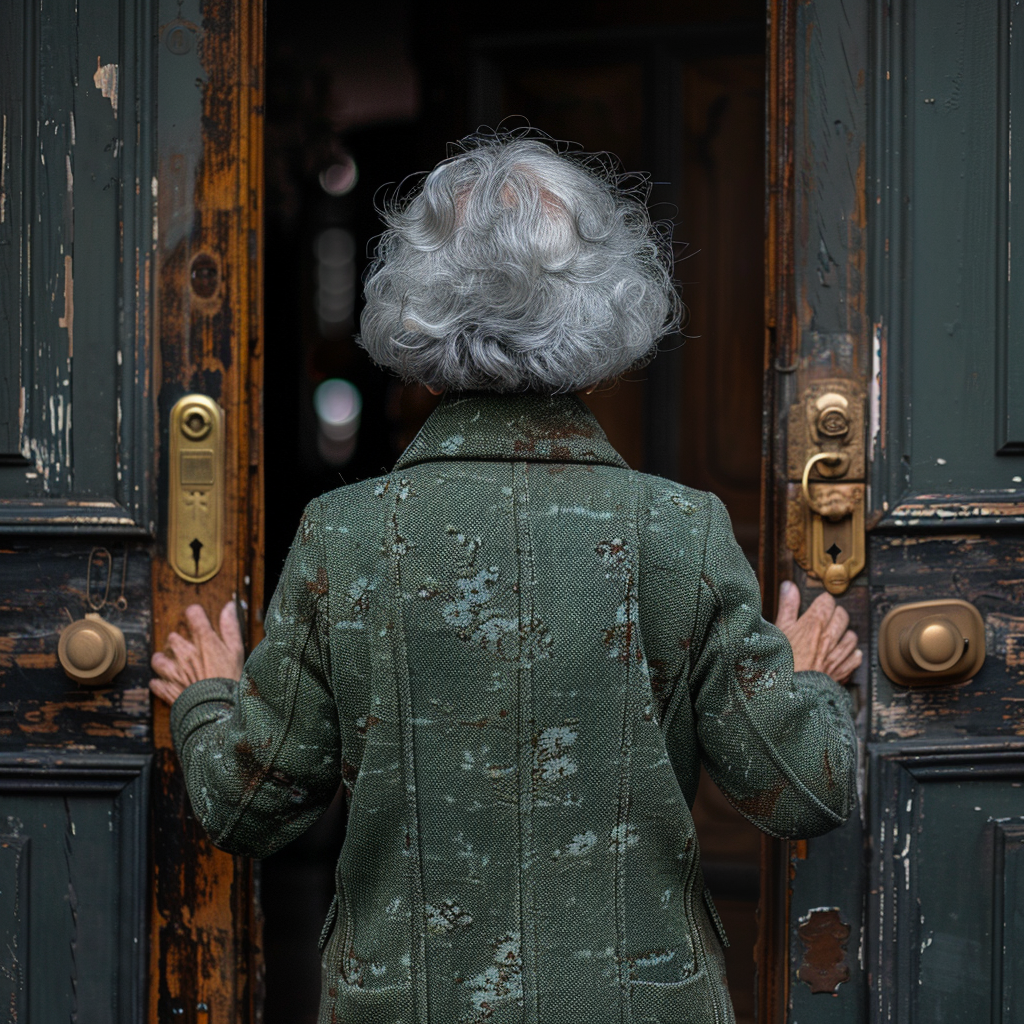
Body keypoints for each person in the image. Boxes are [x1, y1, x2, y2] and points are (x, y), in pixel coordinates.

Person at [151, 134, 860, 1024]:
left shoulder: (346, 536)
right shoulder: (680, 531)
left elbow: (248, 806)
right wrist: (805, 678)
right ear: (610, 307)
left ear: (412, 307)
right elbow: (805, 789)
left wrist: (208, 697)